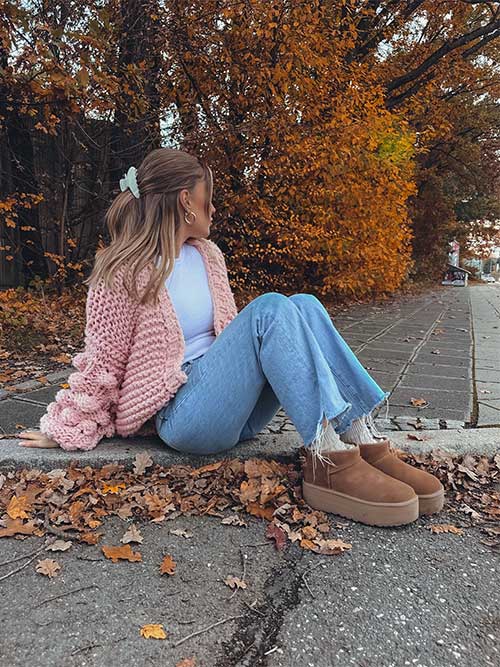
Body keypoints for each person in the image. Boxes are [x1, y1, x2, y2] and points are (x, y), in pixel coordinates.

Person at [16, 147, 444, 527]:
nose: (213, 210)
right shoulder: (122, 271)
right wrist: (65, 426)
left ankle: (359, 440)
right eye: (208, 199)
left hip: (234, 412)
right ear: (186, 201)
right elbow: (102, 363)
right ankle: (327, 459)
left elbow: (238, 348)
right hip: (183, 416)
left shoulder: (209, 256)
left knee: (305, 304)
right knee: (273, 307)